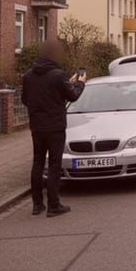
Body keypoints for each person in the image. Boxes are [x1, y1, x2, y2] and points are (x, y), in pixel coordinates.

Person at [22, 40, 86, 217]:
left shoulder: (29, 75)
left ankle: (37, 205)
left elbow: (25, 100)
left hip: (37, 126)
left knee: (38, 162)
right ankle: (53, 205)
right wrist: (80, 83)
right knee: (54, 165)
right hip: (55, 127)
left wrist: (67, 83)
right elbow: (72, 96)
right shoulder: (58, 75)